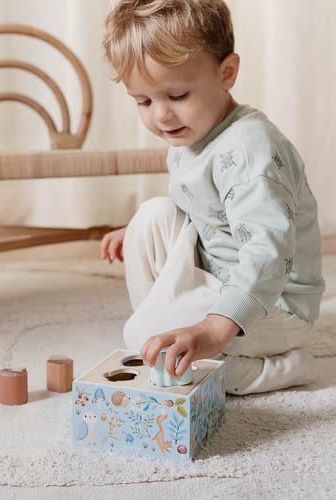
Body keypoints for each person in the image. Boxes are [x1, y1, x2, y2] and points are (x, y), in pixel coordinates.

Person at [100, 0, 325, 394]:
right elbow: (201, 210)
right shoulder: (190, 132)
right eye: (144, 101)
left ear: (227, 73)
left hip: (274, 302)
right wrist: (135, 232)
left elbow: (267, 253)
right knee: (151, 215)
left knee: (144, 340)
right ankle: (167, 333)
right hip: (218, 274)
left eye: (177, 95)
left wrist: (211, 329)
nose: (161, 116)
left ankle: (284, 367)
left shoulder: (248, 150)